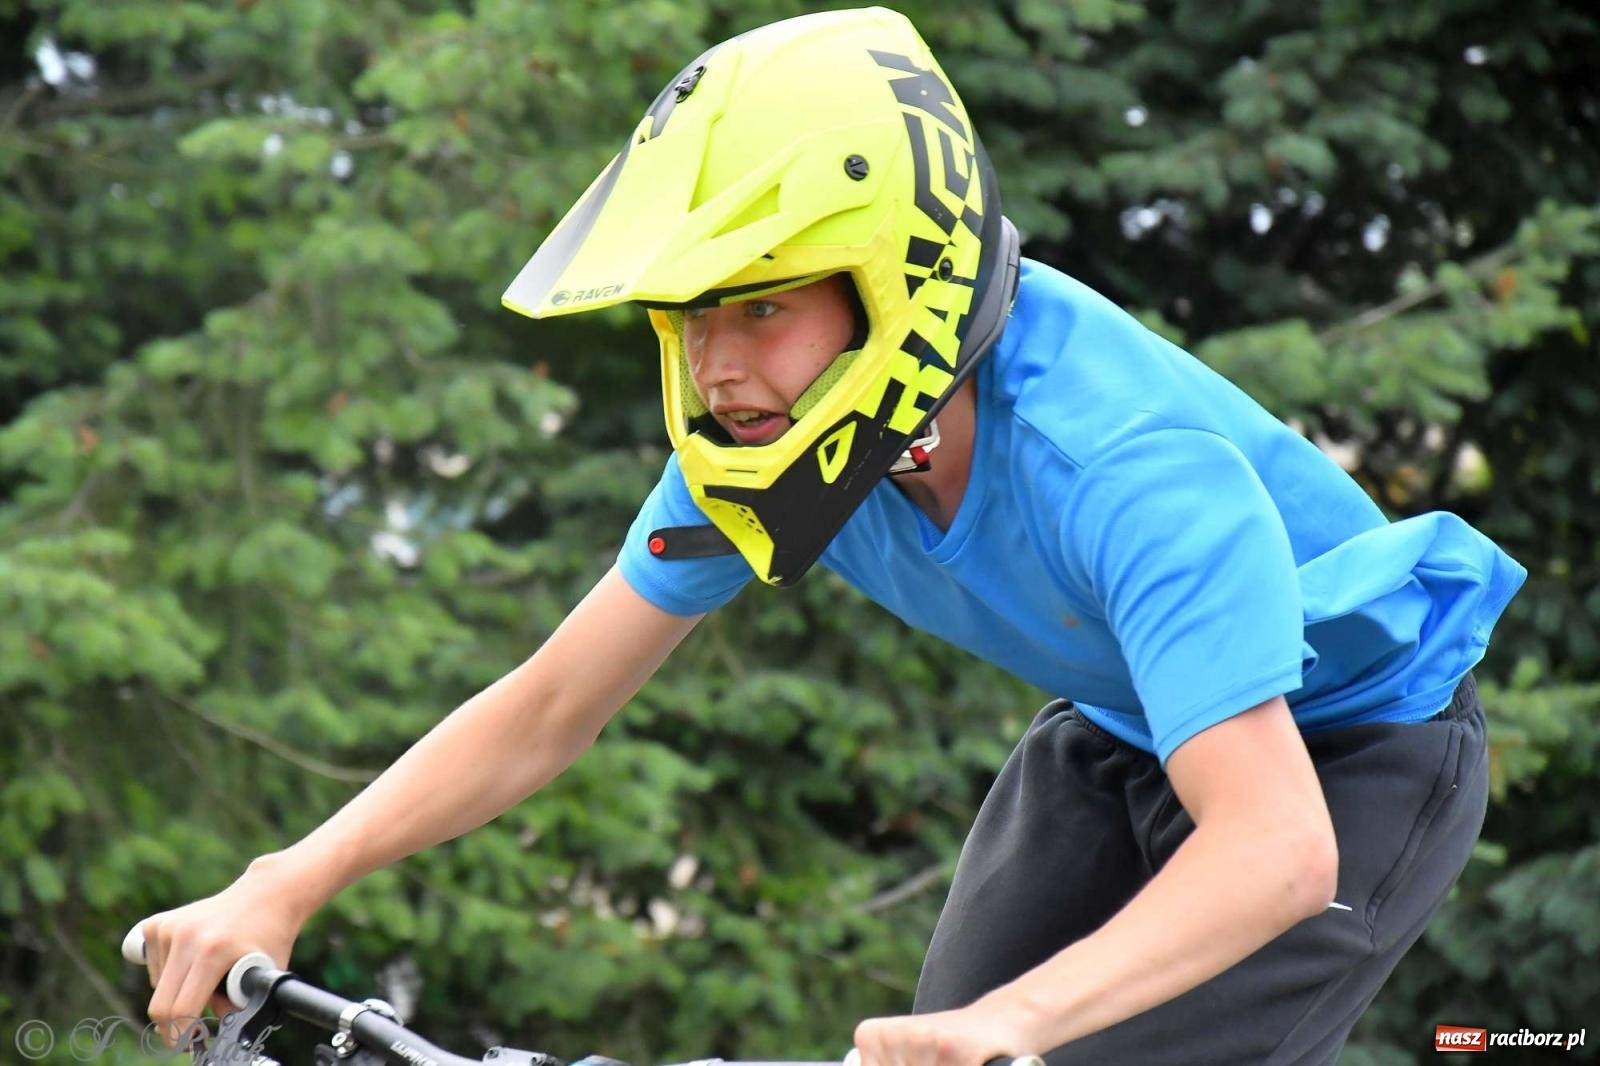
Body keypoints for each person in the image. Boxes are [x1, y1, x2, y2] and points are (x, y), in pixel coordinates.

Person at [136, 7, 1526, 1064]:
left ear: (894, 286)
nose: (717, 361)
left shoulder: (1126, 466)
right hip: (1121, 726)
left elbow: (1281, 848)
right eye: (688, 316)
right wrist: (286, 878)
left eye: (758, 306)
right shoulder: (778, 445)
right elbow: (549, 705)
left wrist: (1021, 1020)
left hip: (1348, 752)